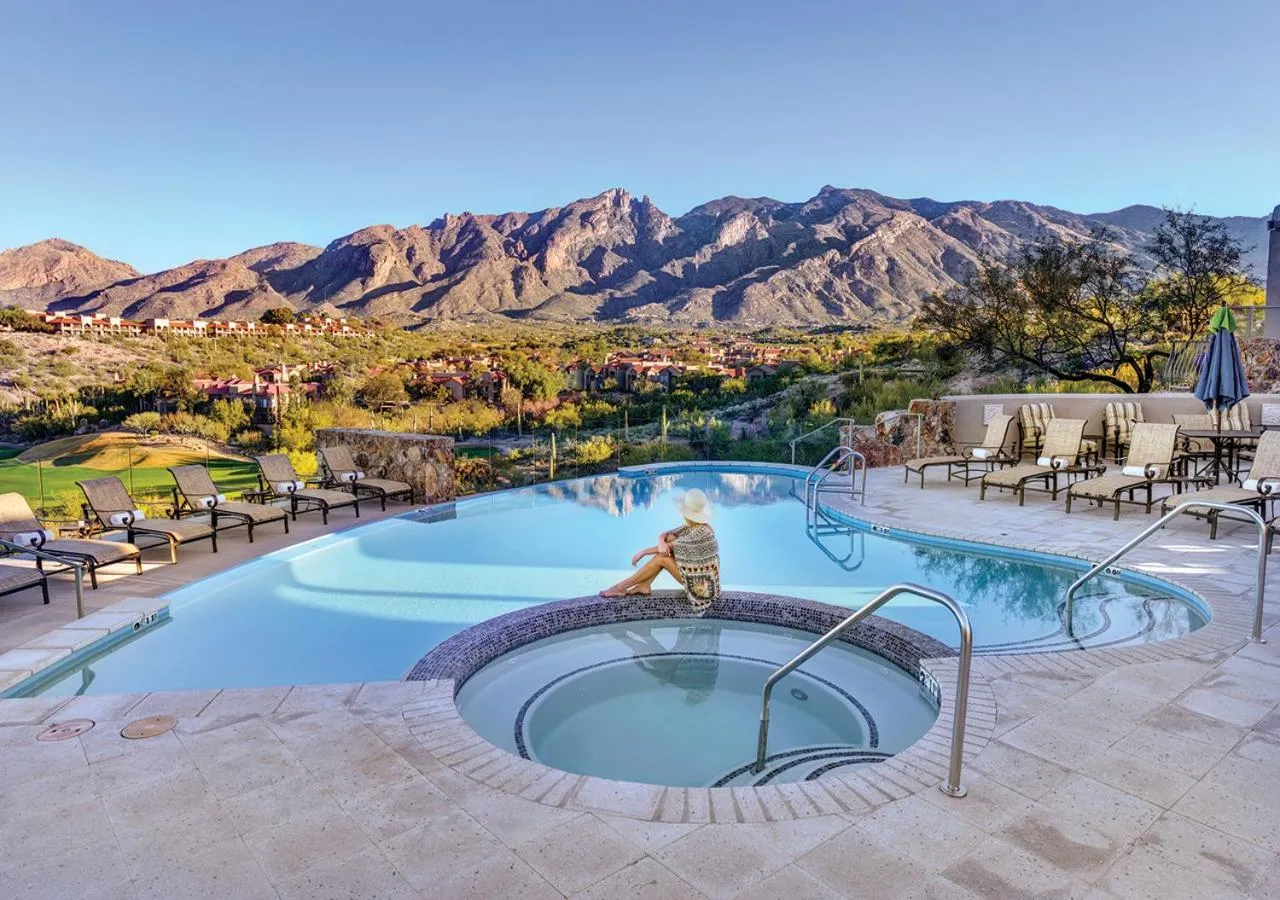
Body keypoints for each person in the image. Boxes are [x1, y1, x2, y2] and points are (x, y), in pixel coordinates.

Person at [600, 488, 721, 613]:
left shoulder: (702, 533)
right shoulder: (695, 526)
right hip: (696, 577)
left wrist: (642, 553)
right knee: (670, 538)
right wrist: (661, 540)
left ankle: (620, 587)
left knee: (661, 558)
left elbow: (670, 547)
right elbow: (667, 534)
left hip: (702, 588)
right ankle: (644, 585)